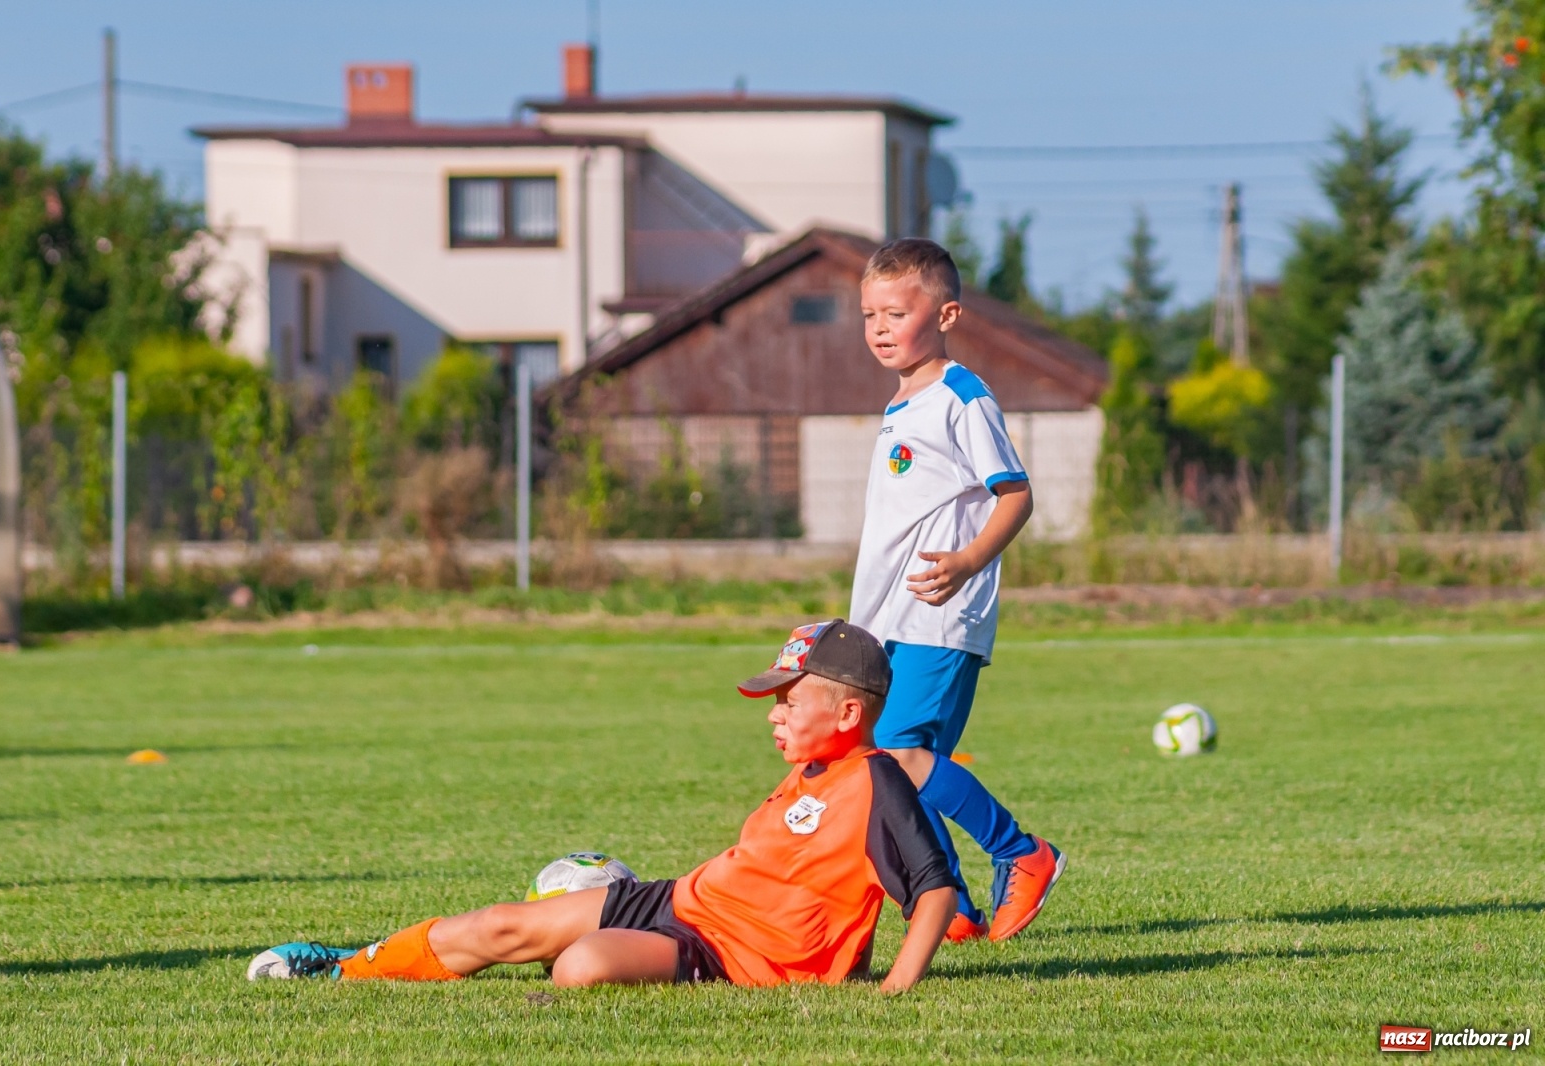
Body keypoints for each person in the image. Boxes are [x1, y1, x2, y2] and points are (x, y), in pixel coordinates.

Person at [248, 620, 958, 992]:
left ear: (847, 713)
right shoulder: (809, 769)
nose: (774, 714)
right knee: (500, 924)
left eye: (789, 700)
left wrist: (894, 984)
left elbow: (933, 890)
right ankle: (345, 966)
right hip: (680, 903)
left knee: (579, 967)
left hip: (722, 955)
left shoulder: (875, 781)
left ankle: (594, 939)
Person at [850, 237, 1064, 943]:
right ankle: (959, 910)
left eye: (896, 312)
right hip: (890, 618)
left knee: (894, 751)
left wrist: (968, 561)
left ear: (945, 314)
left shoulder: (960, 396)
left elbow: (1016, 494)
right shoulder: (900, 404)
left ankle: (1023, 854)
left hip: (938, 612)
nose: (880, 327)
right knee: (894, 769)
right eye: (869, 314)